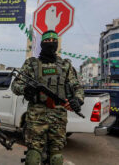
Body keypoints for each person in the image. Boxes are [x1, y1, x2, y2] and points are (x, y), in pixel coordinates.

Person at [11, 30, 84, 165]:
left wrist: (77, 100)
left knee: (56, 158)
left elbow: (77, 87)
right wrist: (25, 90)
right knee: (33, 157)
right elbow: (15, 86)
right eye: (47, 41)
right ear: (42, 43)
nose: (50, 43)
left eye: (53, 41)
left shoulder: (65, 65)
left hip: (58, 117)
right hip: (36, 117)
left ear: (57, 44)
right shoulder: (31, 64)